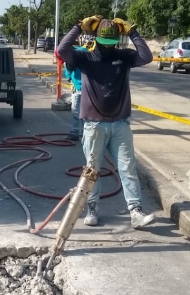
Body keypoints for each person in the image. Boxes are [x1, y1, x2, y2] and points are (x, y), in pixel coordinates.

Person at [56, 16, 155, 229]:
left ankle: (135, 210)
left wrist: (133, 32)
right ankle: (92, 207)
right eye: (104, 43)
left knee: (128, 168)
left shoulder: (125, 56)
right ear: (96, 39)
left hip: (120, 124)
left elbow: (147, 57)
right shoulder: (85, 57)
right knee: (92, 169)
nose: (108, 48)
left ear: (118, 41)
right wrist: (78, 27)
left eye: (112, 44)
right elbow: (61, 51)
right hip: (93, 125)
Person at [62, 44, 88, 141]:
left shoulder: (76, 55)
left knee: (76, 112)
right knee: (83, 112)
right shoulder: (83, 51)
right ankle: (84, 133)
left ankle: (76, 132)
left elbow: (68, 74)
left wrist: (69, 78)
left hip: (83, 87)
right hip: (86, 87)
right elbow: (68, 73)